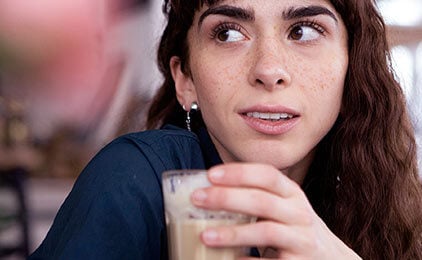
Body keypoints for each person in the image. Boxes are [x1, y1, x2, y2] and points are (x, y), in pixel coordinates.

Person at [29, 0, 422, 259]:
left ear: (351, 67)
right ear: (186, 80)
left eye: (303, 31)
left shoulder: (377, 195)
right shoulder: (131, 178)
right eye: (228, 33)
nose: (269, 70)